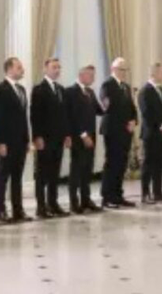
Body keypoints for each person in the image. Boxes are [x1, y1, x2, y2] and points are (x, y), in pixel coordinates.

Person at [0, 57, 32, 223]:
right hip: (6, 141)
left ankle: (18, 210)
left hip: (20, 140)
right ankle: (0, 210)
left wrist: (27, 139)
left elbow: (23, 117)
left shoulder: (21, 89)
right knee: (3, 176)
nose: (22, 70)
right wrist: (0, 141)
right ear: (9, 69)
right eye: (19, 67)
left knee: (17, 177)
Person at [31, 58, 72, 218]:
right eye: (54, 67)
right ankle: (41, 207)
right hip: (45, 139)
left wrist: (67, 134)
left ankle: (53, 204)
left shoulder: (61, 89)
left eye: (59, 67)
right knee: (42, 174)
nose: (57, 70)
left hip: (59, 138)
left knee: (55, 173)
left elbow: (65, 115)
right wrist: (37, 137)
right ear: (45, 69)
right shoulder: (39, 89)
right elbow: (35, 116)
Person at [65, 65, 105, 214]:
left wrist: (107, 106)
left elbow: (98, 110)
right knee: (76, 170)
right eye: (91, 75)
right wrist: (83, 135)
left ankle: (86, 200)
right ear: (81, 75)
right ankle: (74, 203)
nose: (93, 78)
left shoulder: (90, 92)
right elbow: (72, 116)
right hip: (79, 137)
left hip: (91, 136)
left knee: (87, 169)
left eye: (94, 75)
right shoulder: (71, 91)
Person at [99, 58, 138, 208]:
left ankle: (118, 195)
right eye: (121, 69)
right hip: (113, 130)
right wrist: (124, 122)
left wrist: (133, 120)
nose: (123, 72)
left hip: (126, 131)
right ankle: (107, 197)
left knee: (122, 163)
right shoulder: (107, 85)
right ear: (113, 69)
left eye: (125, 69)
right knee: (112, 163)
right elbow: (109, 107)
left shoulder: (126, 87)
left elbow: (131, 107)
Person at [137, 63, 162, 204]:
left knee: (160, 163)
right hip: (151, 133)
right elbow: (146, 113)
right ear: (154, 73)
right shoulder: (145, 91)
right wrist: (161, 125)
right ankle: (145, 194)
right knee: (148, 164)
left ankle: (158, 192)